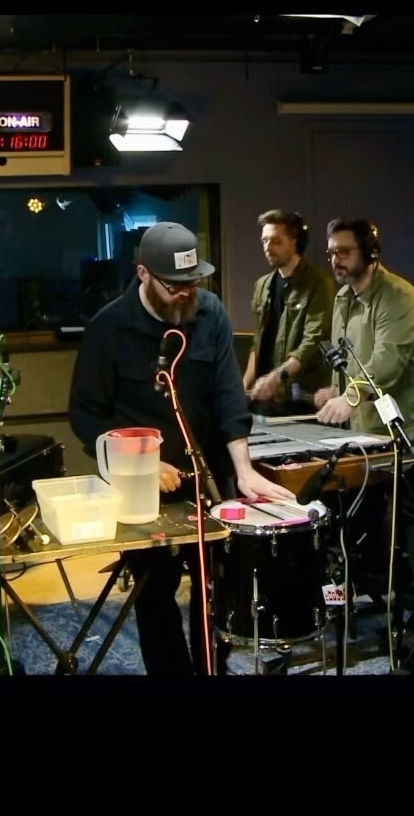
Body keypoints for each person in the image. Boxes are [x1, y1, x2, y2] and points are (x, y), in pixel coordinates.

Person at [68, 221, 295, 676]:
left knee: (218, 590)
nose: (186, 294)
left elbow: (229, 398)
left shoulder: (210, 314)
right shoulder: (108, 329)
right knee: (155, 594)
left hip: (209, 480)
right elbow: (86, 416)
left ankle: (213, 669)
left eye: (193, 282)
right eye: (174, 285)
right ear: (143, 274)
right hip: (144, 492)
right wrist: (139, 464)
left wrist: (244, 469)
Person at [314, 218, 414, 609]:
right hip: (361, 437)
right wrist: (334, 392)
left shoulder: (399, 296)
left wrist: (349, 397)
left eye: (344, 251)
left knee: (407, 531)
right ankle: (367, 590)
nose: (335, 259)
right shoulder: (343, 298)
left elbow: (387, 362)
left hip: (400, 436)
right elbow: (347, 360)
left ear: (369, 252)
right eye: (331, 252)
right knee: (357, 524)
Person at [242, 209, 335, 409]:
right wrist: (244, 386)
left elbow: (313, 340)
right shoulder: (262, 285)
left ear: (295, 241)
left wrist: (277, 376)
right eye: (264, 241)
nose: (267, 247)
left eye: (276, 241)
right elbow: (257, 343)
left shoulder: (319, 284)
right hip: (265, 395)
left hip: (300, 396)